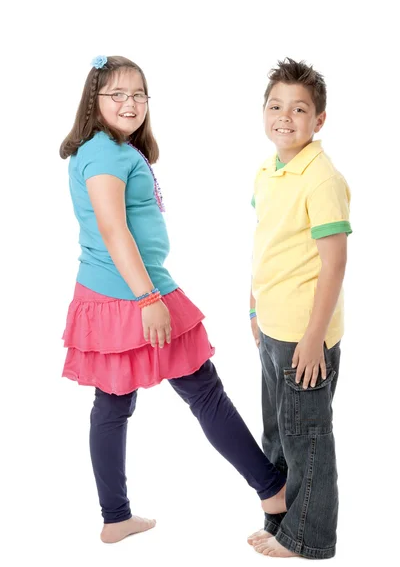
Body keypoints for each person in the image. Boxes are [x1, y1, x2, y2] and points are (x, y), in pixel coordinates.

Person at [60, 55, 286, 544]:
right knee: (203, 392)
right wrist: (148, 298)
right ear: (93, 102)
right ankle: (272, 489)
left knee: (114, 405)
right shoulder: (102, 154)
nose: (130, 103)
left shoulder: (115, 150)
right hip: (131, 297)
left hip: (112, 295)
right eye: (117, 94)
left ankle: (115, 516)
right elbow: (113, 229)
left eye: (139, 94)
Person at [247, 58, 352, 559]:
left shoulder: (322, 178)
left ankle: (309, 537)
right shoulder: (268, 170)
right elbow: (268, 241)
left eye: (299, 109)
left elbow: (333, 265)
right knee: (277, 433)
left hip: (304, 335)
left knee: (308, 440)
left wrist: (314, 338)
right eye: (275, 106)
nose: (284, 117)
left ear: (319, 120)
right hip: (272, 326)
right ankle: (281, 521)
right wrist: (253, 306)